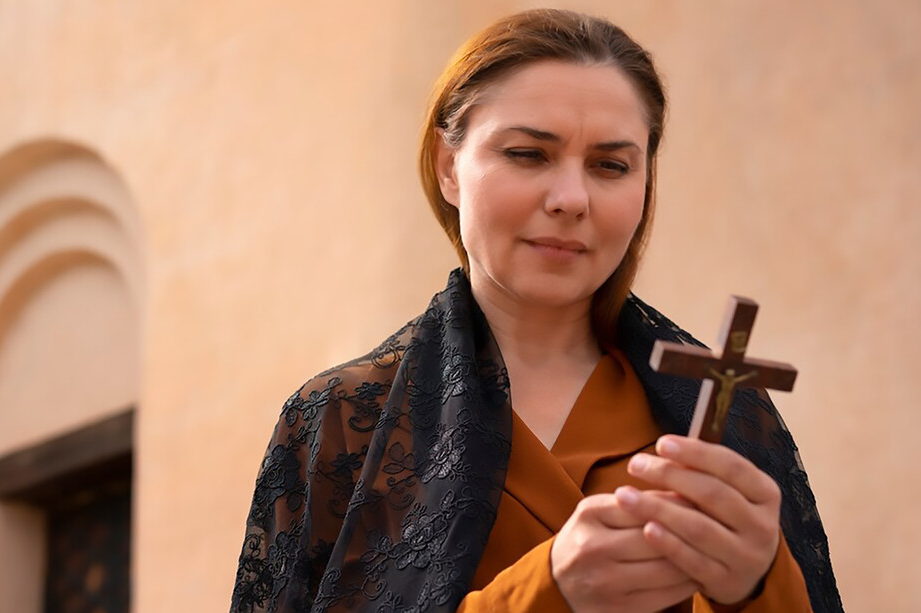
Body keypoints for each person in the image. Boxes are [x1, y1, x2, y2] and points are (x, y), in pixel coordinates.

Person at [231, 9, 841, 613]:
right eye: (528, 154)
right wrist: (547, 593)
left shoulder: (724, 410)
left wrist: (755, 587)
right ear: (449, 168)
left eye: (610, 166)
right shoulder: (340, 420)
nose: (571, 199)